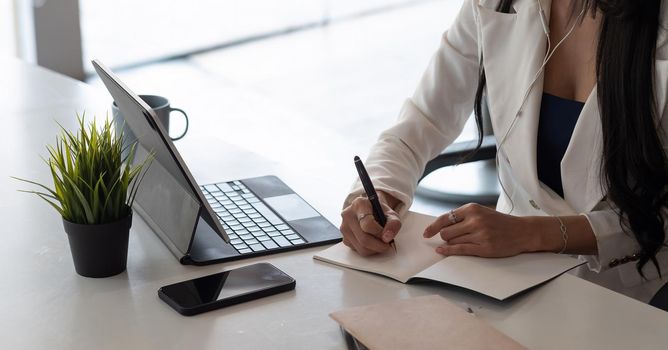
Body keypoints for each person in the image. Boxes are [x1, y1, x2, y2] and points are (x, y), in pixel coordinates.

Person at [340, 0, 668, 304]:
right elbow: (423, 120)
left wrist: (535, 233)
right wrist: (378, 197)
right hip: (506, 281)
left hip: (633, 293)